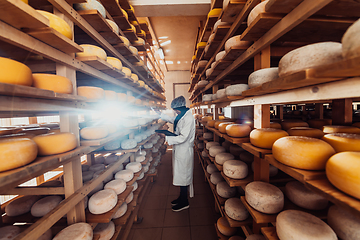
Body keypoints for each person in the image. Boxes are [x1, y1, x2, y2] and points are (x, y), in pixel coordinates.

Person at [159, 95, 195, 212]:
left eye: (176, 110)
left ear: (181, 107)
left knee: (184, 176)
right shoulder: (182, 115)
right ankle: (181, 197)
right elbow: (174, 120)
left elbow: (183, 138)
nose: (175, 112)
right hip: (180, 150)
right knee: (180, 176)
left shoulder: (188, 118)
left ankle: (185, 202)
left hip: (184, 150)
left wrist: (167, 137)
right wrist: (160, 115)